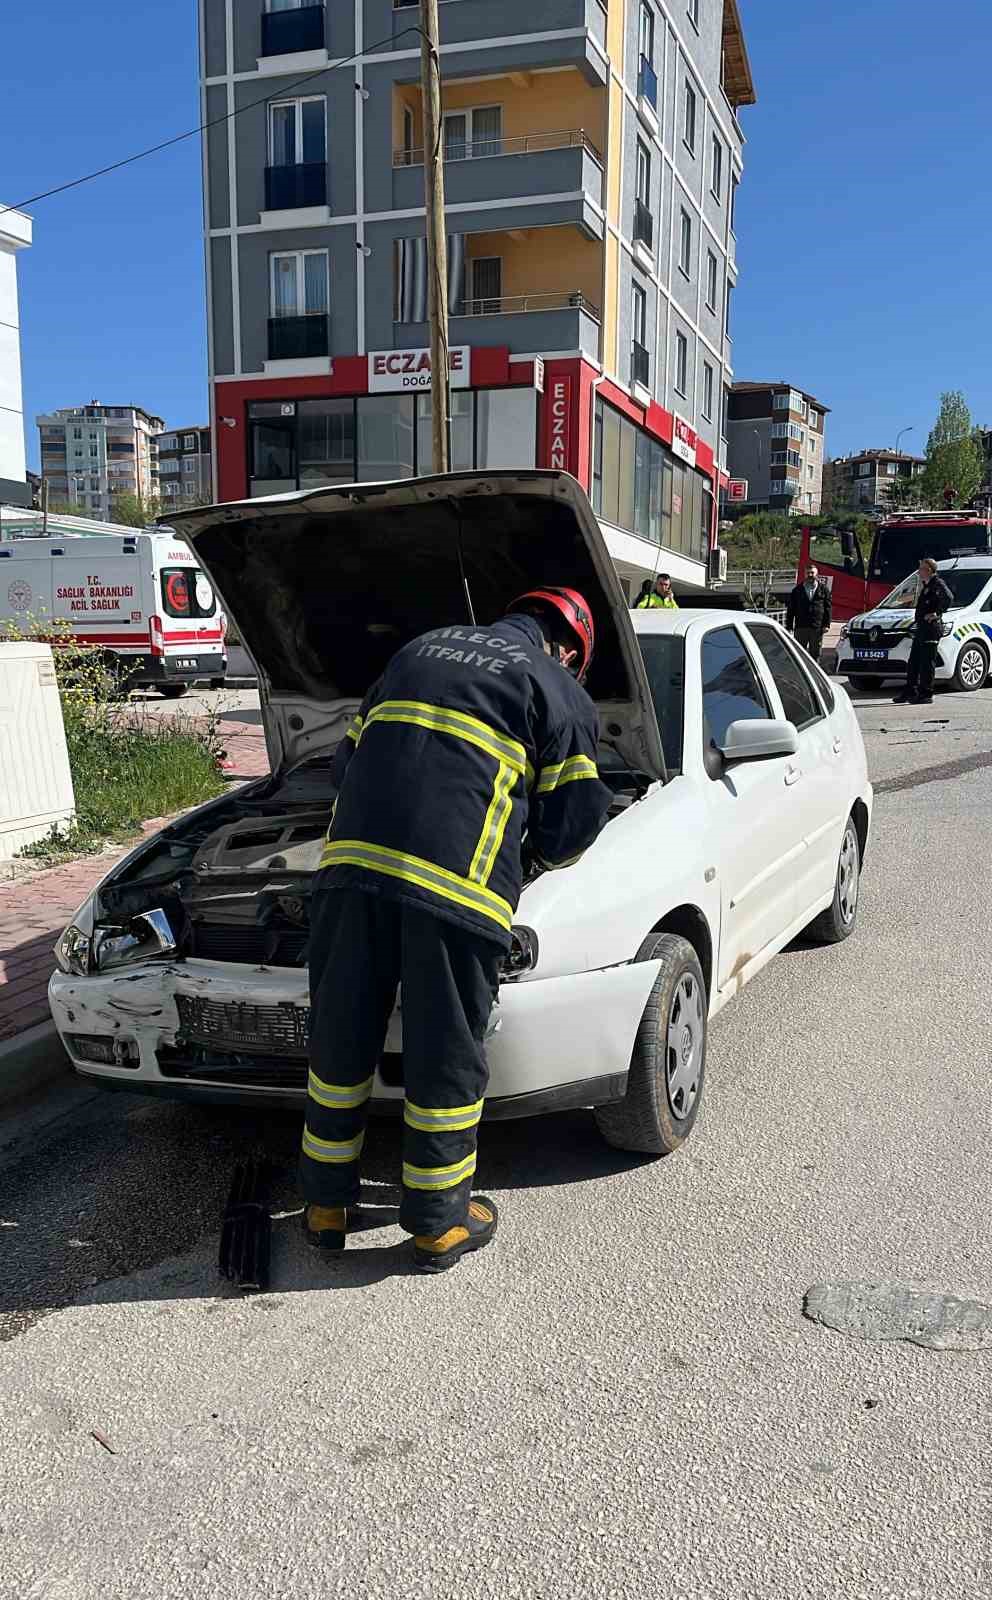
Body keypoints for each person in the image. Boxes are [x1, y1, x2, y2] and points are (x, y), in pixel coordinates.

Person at [300, 588, 613, 1274]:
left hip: (348, 874)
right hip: (453, 891)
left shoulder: (416, 651)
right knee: (446, 1055)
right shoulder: (554, 687)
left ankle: (325, 1206)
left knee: (340, 1041)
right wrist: (523, 857)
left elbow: (345, 765)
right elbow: (574, 825)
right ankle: (439, 1224)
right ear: (569, 649)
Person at [893, 558, 953, 706]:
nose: (919, 571)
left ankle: (926, 693)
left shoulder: (937, 583)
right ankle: (910, 691)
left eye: (921, 569)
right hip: (921, 628)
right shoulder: (925, 585)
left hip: (931, 629)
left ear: (929, 570)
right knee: (913, 662)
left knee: (927, 663)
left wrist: (936, 613)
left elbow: (949, 598)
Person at [786, 565, 832, 661]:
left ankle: (815, 675)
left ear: (817, 574)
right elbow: (791, 609)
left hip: (817, 627)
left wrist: (826, 624)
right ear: (804, 574)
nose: (810, 575)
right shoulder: (797, 590)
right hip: (801, 627)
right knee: (799, 654)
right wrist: (789, 626)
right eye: (808, 573)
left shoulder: (824, 590)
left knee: (815, 654)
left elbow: (828, 608)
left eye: (812, 573)